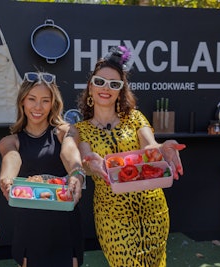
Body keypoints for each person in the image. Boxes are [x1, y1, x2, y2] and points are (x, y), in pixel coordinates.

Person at [74, 46, 186, 267]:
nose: (106, 88)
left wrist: (162, 148)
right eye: (100, 81)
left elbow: (149, 145)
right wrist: (90, 163)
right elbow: (86, 157)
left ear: (121, 90)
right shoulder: (80, 129)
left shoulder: (135, 118)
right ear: (90, 86)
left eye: (114, 84)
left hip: (153, 210)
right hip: (114, 219)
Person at [0, 71, 86, 267]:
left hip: (66, 228)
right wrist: (6, 178)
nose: (38, 107)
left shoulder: (66, 131)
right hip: (30, 229)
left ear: (53, 103)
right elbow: (12, 158)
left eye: (45, 100)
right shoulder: (10, 141)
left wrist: (76, 173)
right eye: (32, 99)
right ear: (22, 101)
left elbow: (69, 154)